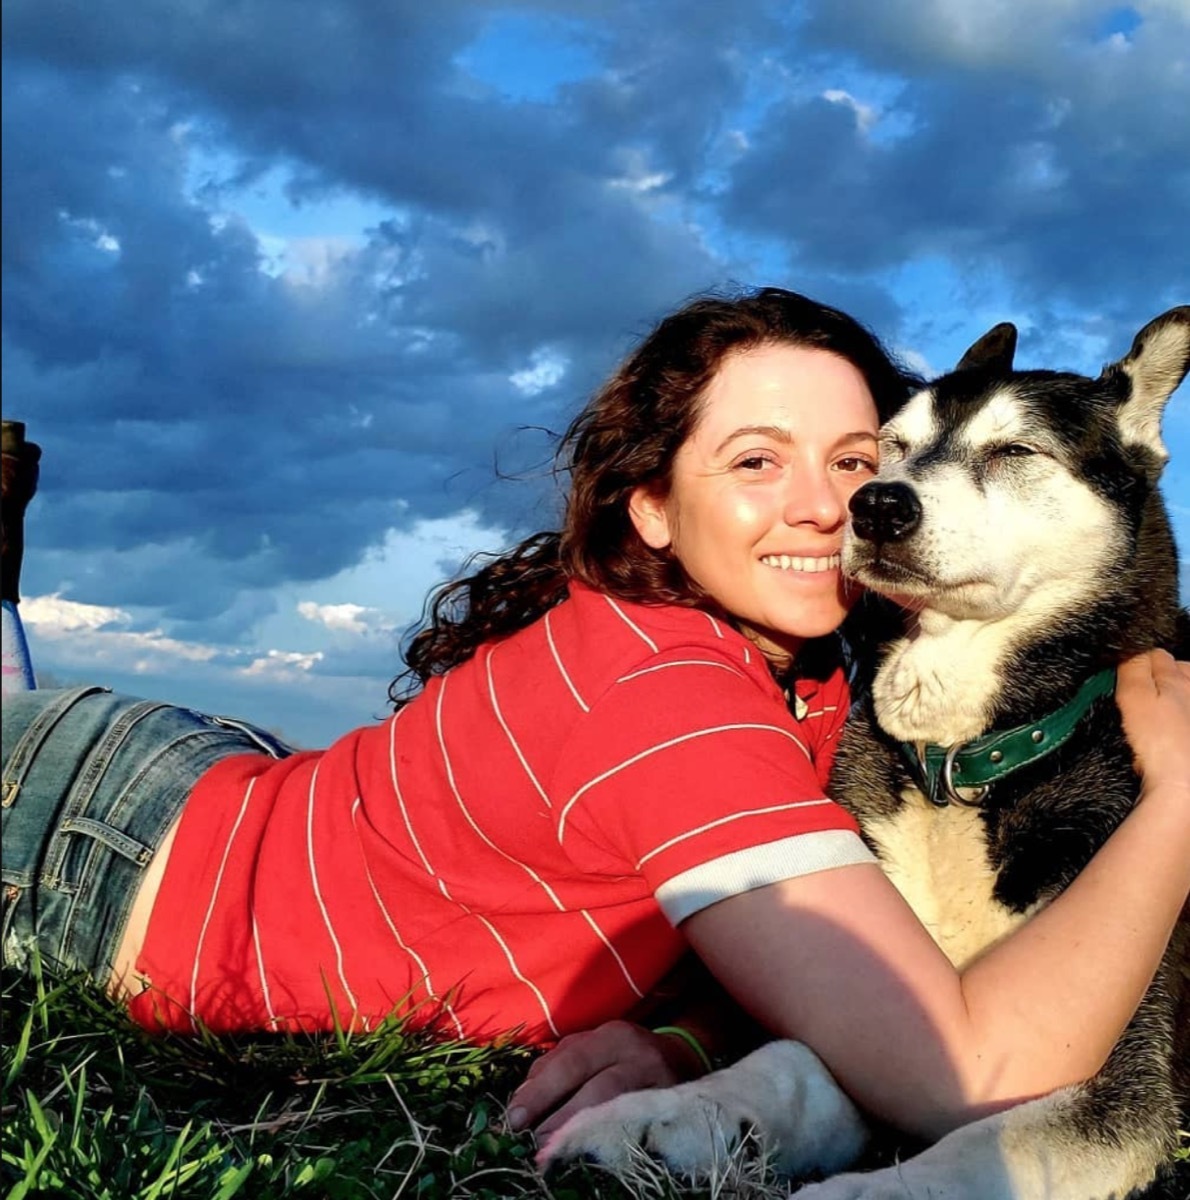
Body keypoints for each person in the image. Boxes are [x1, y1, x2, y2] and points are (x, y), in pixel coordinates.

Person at [2, 289, 1189, 1151]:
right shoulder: (670, 698)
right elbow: (963, 1070)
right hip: (90, 850)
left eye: (855, 456)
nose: (829, 504)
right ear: (655, 511)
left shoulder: (820, 663)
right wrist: (1176, 806)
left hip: (227, 782)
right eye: (754, 463)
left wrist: (678, 1038)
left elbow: (804, 951)